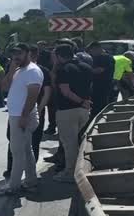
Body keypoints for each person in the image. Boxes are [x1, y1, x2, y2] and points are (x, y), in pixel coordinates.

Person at [0, 43, 42, 195]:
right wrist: (10, 70)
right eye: (14, 54)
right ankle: (31, 181)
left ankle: (13, 186)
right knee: (26, 151)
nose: (16, 57)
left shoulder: (32, 71)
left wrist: (24, 116)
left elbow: (33, 95)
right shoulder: (18, 70)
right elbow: (4, 87)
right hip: (16, 115)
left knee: (17, 152)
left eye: (19, 54)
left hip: (22, 116)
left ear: (28, 53)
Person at [52, 44, 92, 183]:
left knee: (70, 144)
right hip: (84, 110)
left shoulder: (64, 69)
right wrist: (85, 102)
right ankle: (81, 169)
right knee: (78, 142)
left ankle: (71, 173)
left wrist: (80, 101)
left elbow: (65, 91)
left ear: (59, 56)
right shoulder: (86, 67)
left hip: (67, 111)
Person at [87, 42, 114, 119]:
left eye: (92, 50)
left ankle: (98, 119)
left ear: (97, 49)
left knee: (100, 105)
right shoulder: (97, 57)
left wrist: (86, 70)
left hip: (103, 85)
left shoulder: (105, 58)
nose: (91, 53)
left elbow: (99, 70)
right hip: (96, 85)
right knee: (95, 105)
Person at [37, 41, 58, 136]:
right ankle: (46, 126)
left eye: (42, 45)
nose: (40, 47)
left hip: (47, 80)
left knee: (50, 107)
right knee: (46, 107)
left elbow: (53, 65)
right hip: (44, 80)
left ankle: (51, 126)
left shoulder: (48, 55)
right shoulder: (42, 55)